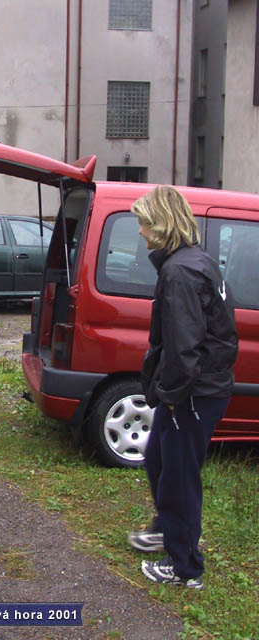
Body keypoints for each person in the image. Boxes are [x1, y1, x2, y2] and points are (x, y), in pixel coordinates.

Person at [128, 186, 238, 589]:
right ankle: (167, 530)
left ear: (160, 225)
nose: (140, 231)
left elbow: (184, 347)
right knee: (158, 460)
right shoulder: (194, 261)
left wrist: (173, 398)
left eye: (143, 223)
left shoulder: (180, 272)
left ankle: (185, 567)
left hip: (194, 393)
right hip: (196, 389)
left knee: (179, 479)